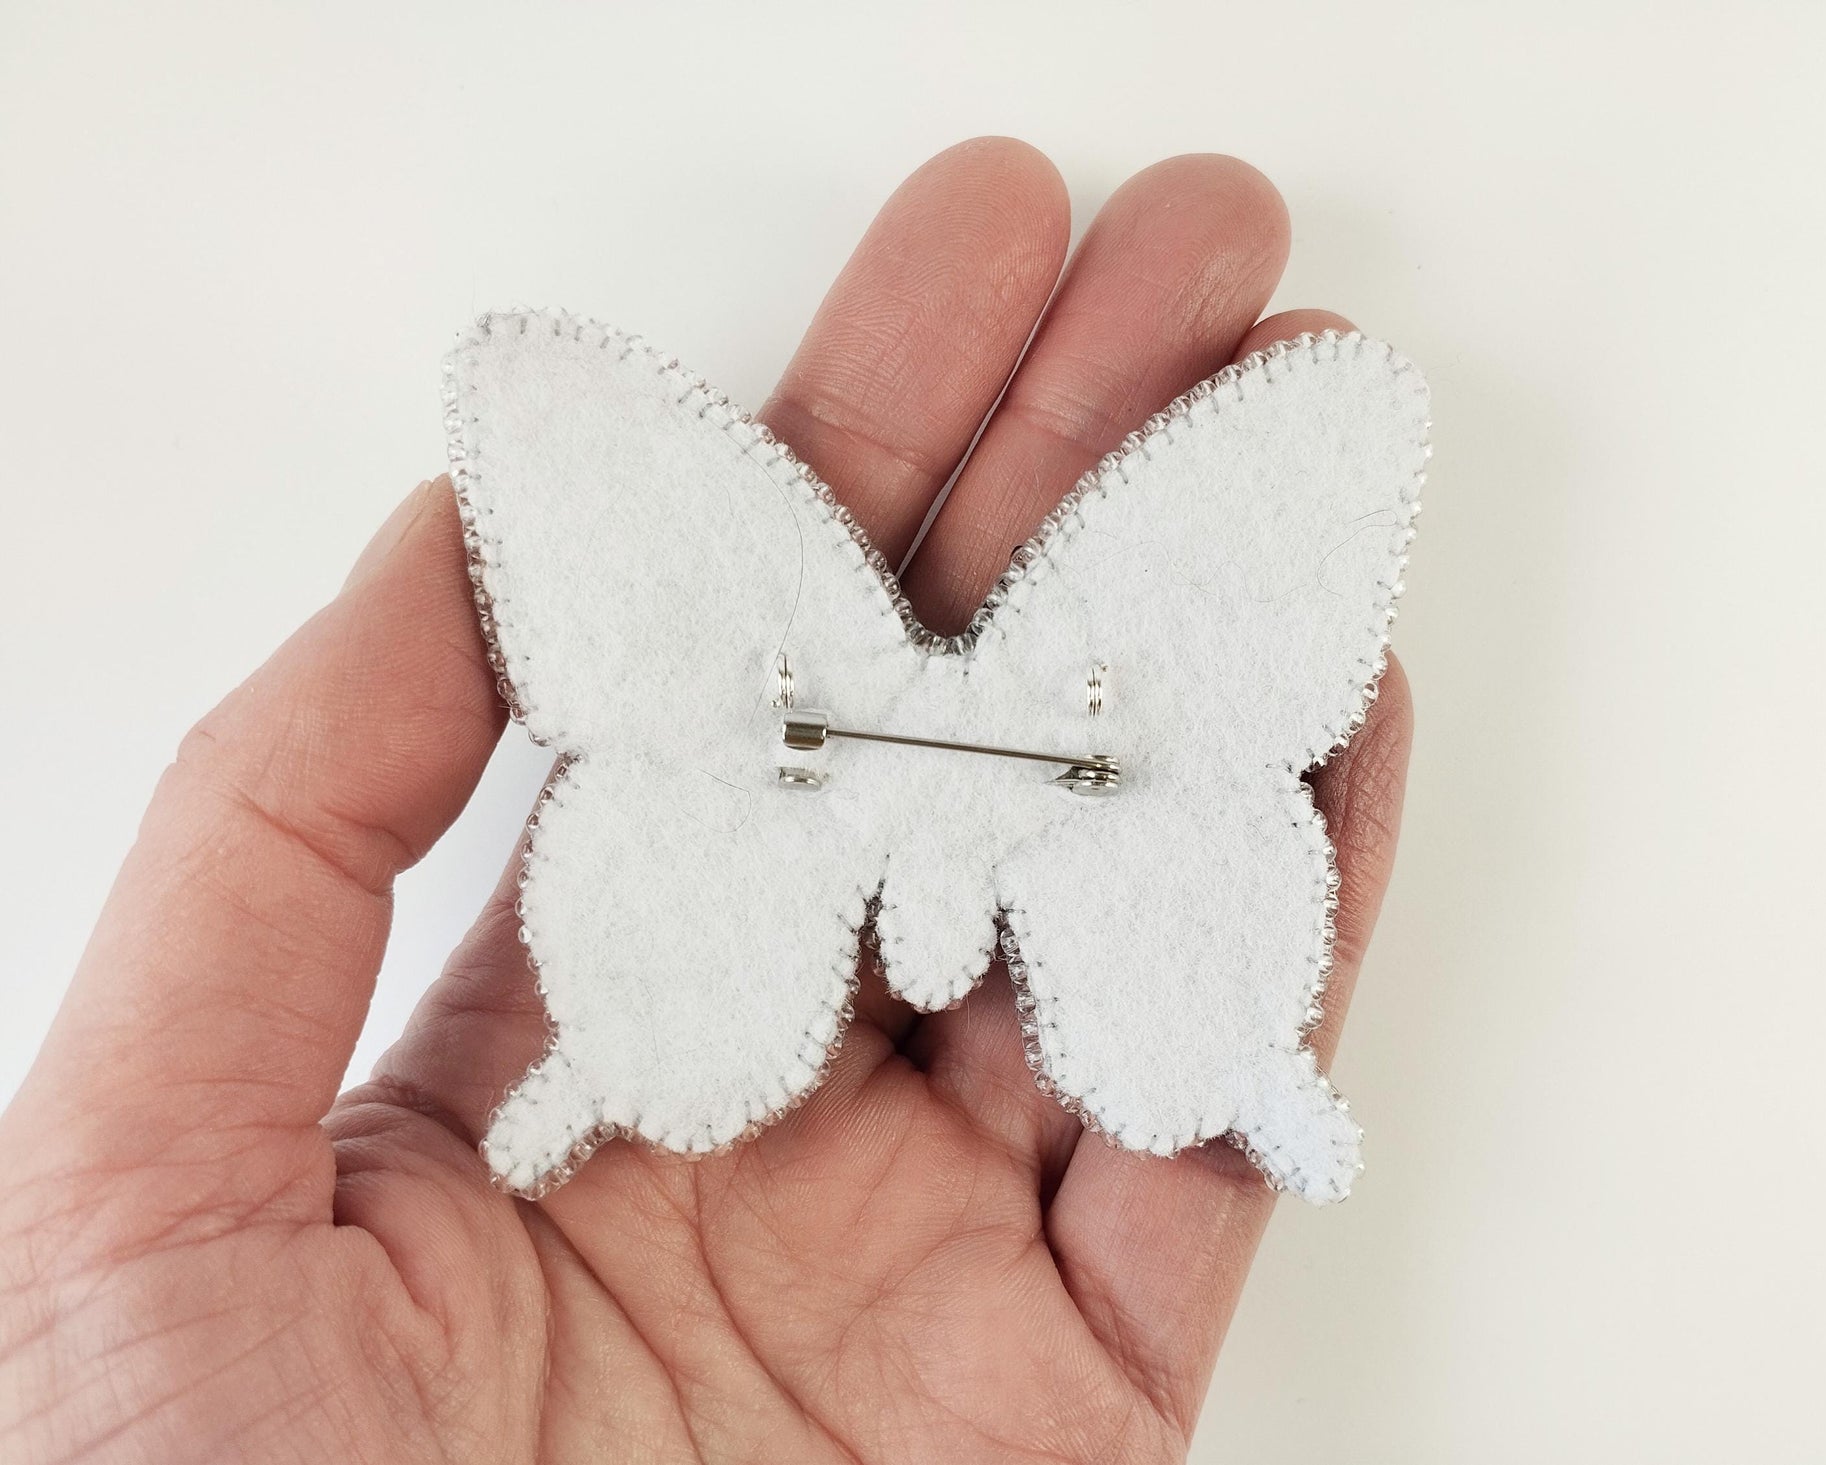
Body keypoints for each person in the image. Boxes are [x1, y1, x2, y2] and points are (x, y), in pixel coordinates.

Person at [0, 139, 1413, 1463]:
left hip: (1083, 791)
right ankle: (611, 1069)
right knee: (654, 986)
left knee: (1210, 989)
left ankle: (1239, 1070)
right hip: (988, 789)